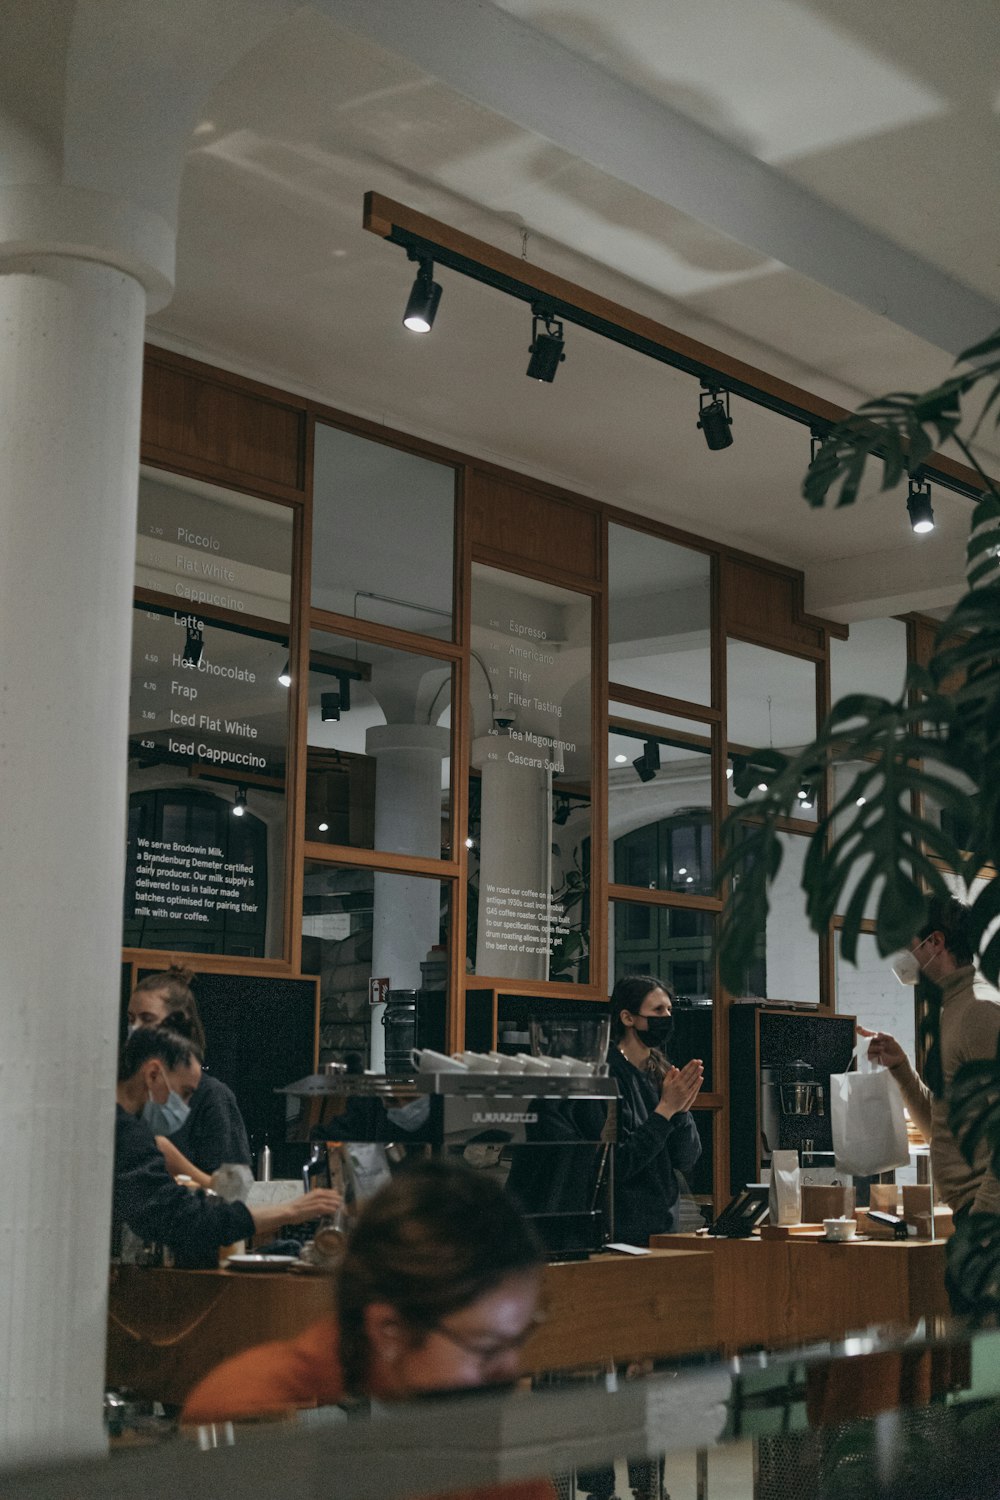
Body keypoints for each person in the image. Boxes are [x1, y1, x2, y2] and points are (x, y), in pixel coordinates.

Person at [181, 1158, 544, 1422]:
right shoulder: (249, 1409)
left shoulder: (465, 1425)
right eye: (488, 1347)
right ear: (390, 1332)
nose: (510, 1370)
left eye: (520, 1339)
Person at [115, 1027, 342, 1267]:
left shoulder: (126, 1129)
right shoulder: (124, 1133)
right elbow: (181, 1218)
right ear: (152, 1074)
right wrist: (291, 1210)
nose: (185, 1106)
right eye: (184, 1092)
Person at [863, 894, 1000, 1222]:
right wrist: (901, 1069)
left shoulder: (978, 1013)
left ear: (935, 941)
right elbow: (942, 1131)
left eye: (905, 944)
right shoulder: (953, 1010)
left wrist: (984, 1221)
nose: (901, 956)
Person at [127, 965, 251, 1175]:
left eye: (147, 1019)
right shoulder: (129, 1092)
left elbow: (233, 1191)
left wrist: (178, 1166)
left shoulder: (212, 1097)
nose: (135, 1029)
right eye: (131, 1019)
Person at [608, 974, 703, 1244]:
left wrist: (681, 1111)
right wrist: (664, 1111)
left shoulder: (660, 1073)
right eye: (658, 1010)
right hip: (622, 1229)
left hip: (664, 1225)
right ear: (628, 1018)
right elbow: (620, 1163)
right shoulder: (608, 1075)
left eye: (669, 1010)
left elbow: (686, 1159)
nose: (667, 1016)